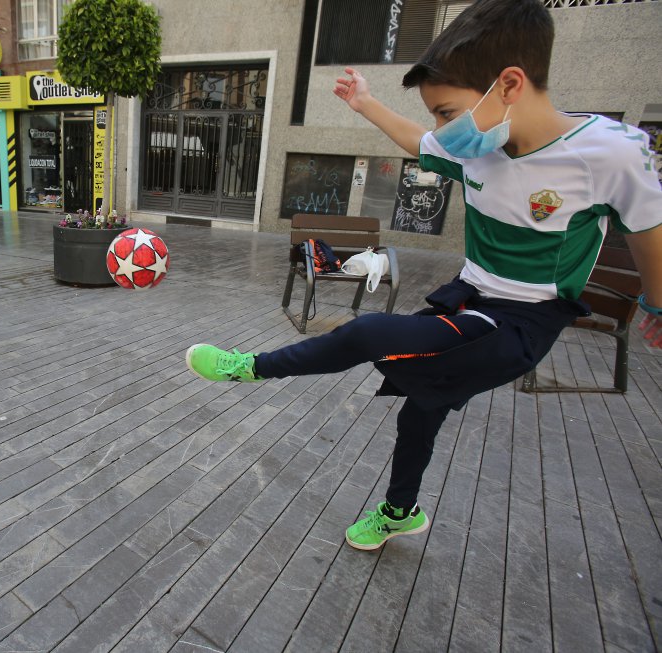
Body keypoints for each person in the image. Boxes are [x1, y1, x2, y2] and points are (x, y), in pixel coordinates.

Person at [186, 0, 662, 551]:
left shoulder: (610, 152)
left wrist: (656, 305)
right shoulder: (480, 143)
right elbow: (419, 142)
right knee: (422, 412)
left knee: (369, 334)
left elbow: (650, 232)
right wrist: (364, 104)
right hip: (468, 298)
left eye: (446, 112)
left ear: (509, 84)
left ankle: (249, 369)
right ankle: (400, 513)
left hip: (522, 323)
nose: (441, 130)